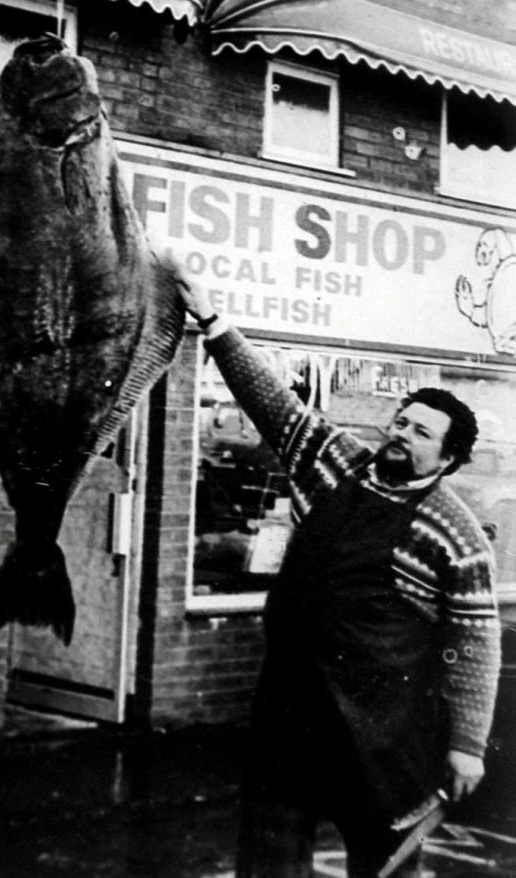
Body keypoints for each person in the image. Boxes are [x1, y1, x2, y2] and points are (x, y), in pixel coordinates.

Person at [174, 266, 501, 877]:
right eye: (401, 421)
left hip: (383, 734)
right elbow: (274, 404)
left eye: (421, 432)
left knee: (385, 865)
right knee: (269, 856)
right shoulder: (337, 466)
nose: (401, 434)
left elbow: (475, 647)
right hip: (291, 712)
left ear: (449, 458)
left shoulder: (453, 534)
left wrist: (465, 747)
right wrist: (214, 324)